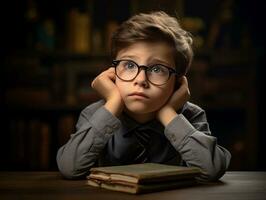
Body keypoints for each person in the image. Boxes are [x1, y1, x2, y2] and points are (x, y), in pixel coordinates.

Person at [56, 11, 231, 181]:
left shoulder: (190, 116)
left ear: (177, 82)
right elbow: (70, 168)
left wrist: (168, 113)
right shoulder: (96, 114)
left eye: (157, 69)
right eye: (129, 65)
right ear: (112, 73)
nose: (141, 80)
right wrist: (114, 103)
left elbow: (212, 169)